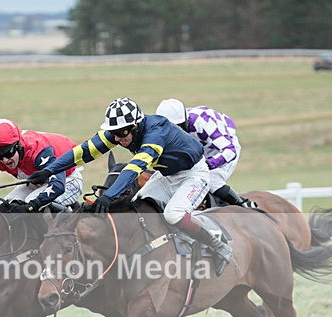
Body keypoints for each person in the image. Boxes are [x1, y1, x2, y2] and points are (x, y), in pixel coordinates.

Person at [29, 97, 233, 276]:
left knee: (174, 214)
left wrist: (109, 196)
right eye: (113, 133)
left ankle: (218, 245)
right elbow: (82, 153)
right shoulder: (119, 132)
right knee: (136, 208)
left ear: (135, 127)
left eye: (121, 133)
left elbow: (134, 169)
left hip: (194, 175)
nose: (117, 139)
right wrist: (50, 170)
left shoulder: (155, 134)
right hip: (166, 175)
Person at [0, 118, 83, 213]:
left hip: (68, 180)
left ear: (18, 145)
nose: (5, 160)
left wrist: (31, 206)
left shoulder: (39, 151)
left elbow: (58, 186)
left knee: (31, 206)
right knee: (6, 208)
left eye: (8, 153)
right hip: (39, 182)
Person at [155, 98, 256, 209]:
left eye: (178, 127)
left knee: (211, 179)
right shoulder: (159, 128)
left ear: (185, 121)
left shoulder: (203, 122)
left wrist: (208, 164)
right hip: (197, 149)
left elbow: (229, 151)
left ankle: (243, 205)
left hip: (222, 148)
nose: (174, 132)